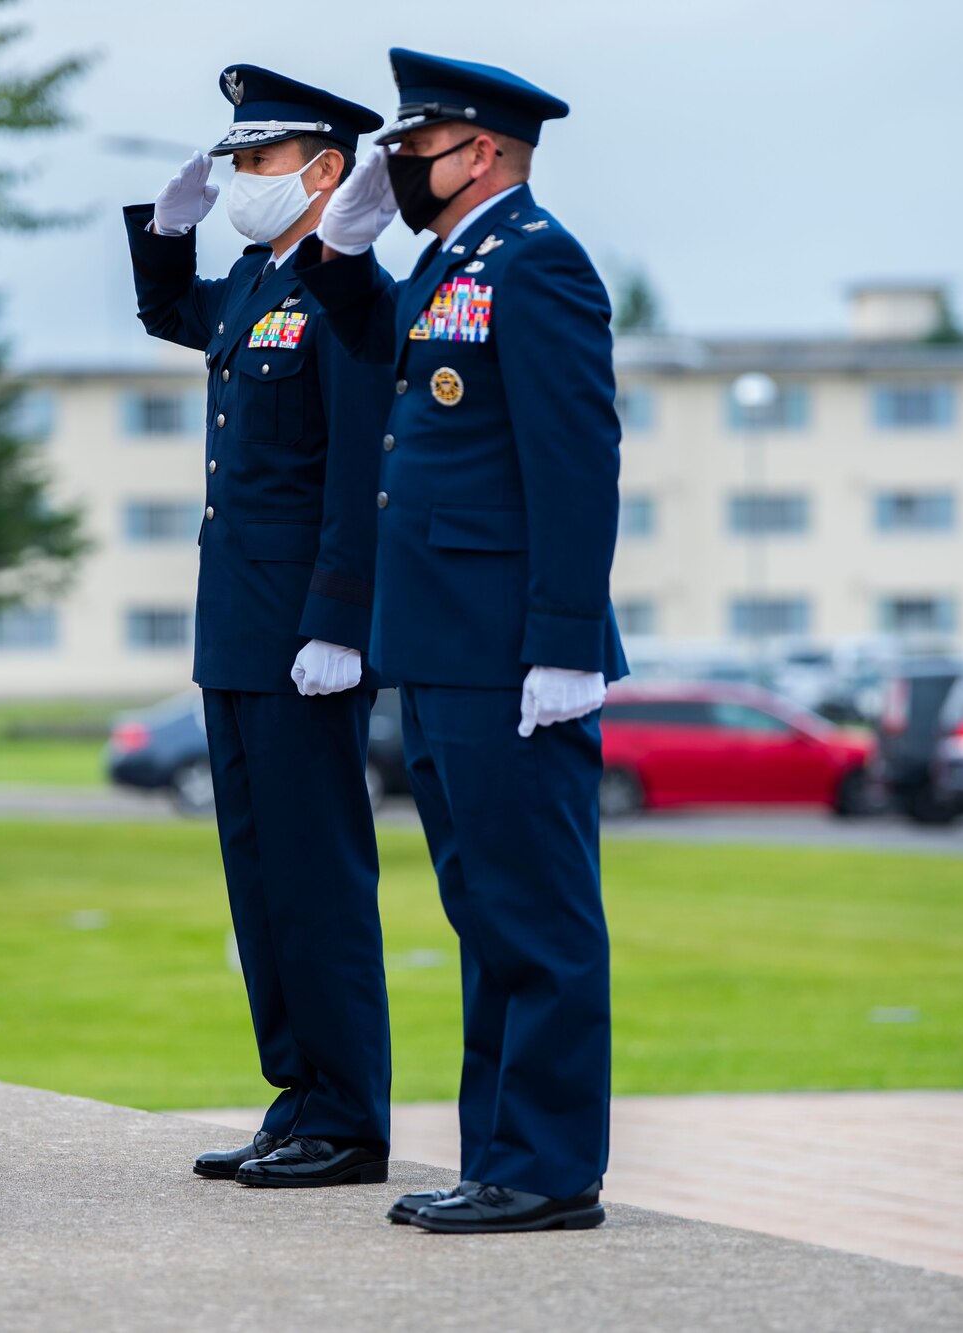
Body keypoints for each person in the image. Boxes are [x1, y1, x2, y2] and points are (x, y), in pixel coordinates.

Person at [293, 48, 627, 1232]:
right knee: (483, 914)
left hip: (507, 655)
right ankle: (501, 1153)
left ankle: (545, 1169)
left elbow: (575, 464)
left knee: (533, 915)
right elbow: (363, 338)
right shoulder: (450, 268)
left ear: (477, 149)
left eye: (411, 147)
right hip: (436, 646)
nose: (396, 163)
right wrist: (340, 240)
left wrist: (564, 644)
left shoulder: (536, 263)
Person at [124, 65, 396, 1189]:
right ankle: (298, 1092)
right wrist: (162, 231)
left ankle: (347, 1116)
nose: (240, 176)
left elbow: (356, 474)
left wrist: (338, 620)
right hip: (234, 625)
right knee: (258, 875)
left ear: (327, 171)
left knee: (315, 877)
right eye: (234, 160)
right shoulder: (248, 281)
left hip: (302, 638)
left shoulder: (346, 293)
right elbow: (165, 313)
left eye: (260, 159)